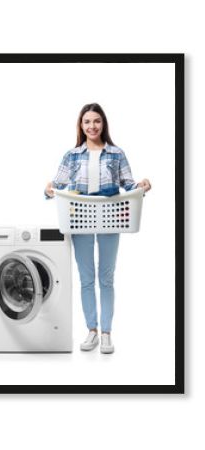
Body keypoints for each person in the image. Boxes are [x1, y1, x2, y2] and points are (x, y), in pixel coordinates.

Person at [45, 103, 151, 353]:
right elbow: (57, 184)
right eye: (87, 122)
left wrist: (142, 185)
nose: (92, 126)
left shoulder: (116, 153)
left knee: (106, 278)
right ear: (81, 126)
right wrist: (48, 188)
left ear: (103, 124)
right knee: (86, 279)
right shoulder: (72, 155)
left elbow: (128, 185)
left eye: (96, 121)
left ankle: (106, 333)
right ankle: (91, 330)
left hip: (111, 217)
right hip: (80, 217)